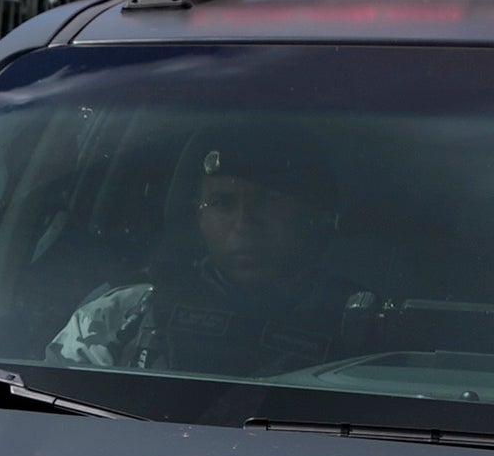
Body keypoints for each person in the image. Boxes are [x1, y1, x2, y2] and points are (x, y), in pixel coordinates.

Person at [48, 127, 366, 378]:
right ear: (198, 217)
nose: (244, 224)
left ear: (310, 213)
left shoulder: (364, 326)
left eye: (269, 200)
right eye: (223, 203)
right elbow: (56, 415)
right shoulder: (126, 314)